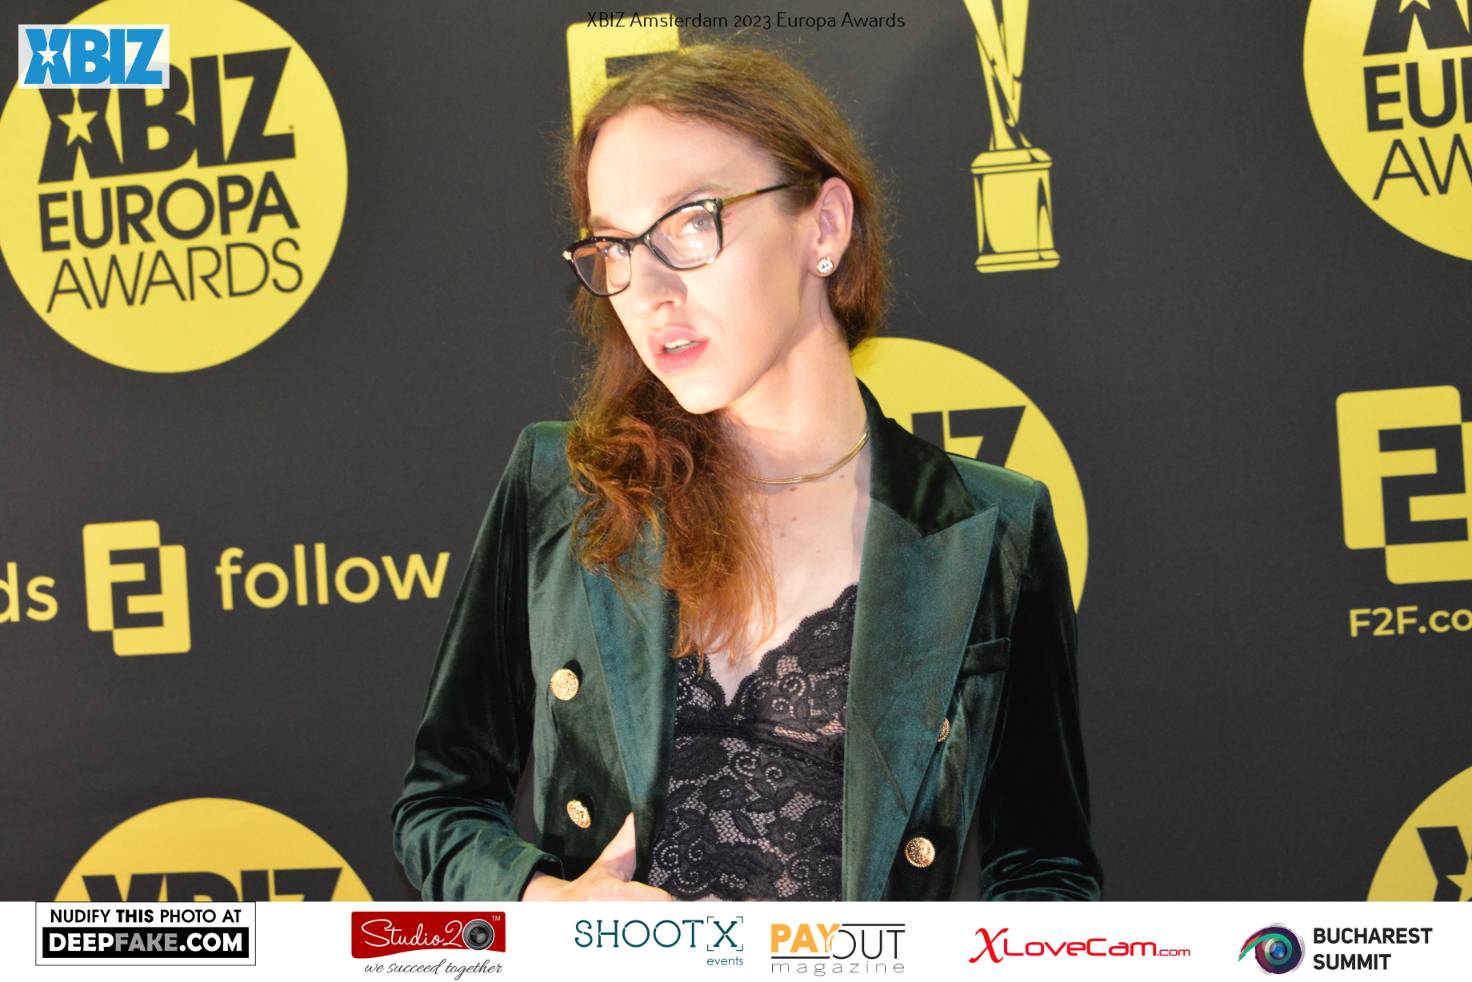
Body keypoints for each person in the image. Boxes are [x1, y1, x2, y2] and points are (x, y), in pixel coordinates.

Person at [391, 39, 1101, 902]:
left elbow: (1045, 869)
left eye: (692, 223)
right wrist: (547, 905)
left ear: (824, 226)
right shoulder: (567, 488)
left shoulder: (989, 530)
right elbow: (439, 807)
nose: (647, 291)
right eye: (615, 247)